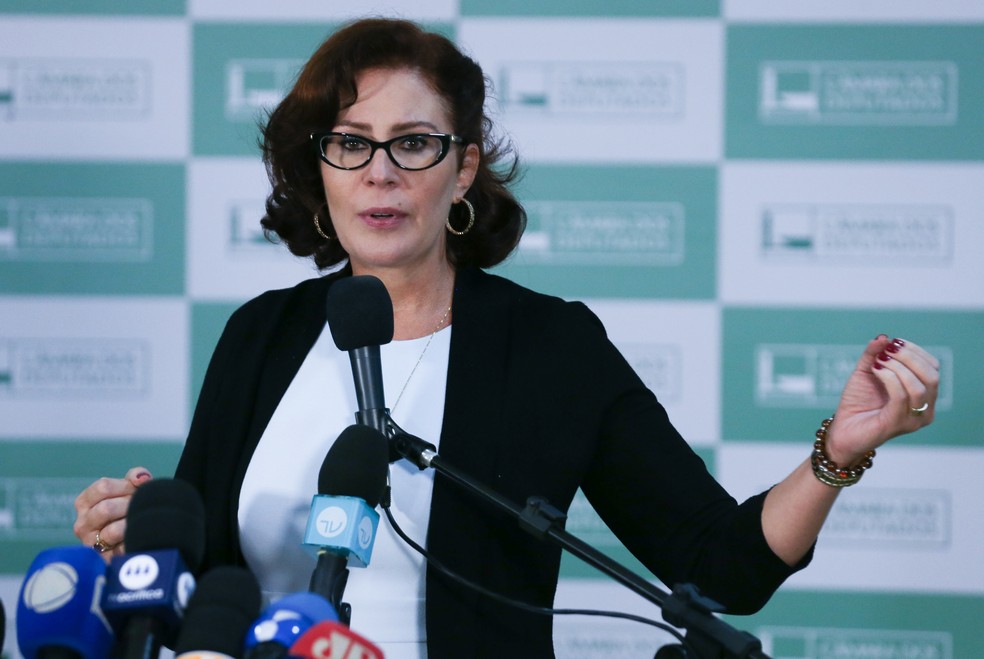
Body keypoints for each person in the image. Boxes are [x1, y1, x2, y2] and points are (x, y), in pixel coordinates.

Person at [73, 17, 940, 658]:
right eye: (351, 143)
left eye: (413, 142)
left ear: (464, 168)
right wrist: (135, 527)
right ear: (322, 169)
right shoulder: (261, 335)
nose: (380, 170)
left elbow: (726, 568)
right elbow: (202, 583)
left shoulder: (548, 348)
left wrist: (840, 451)